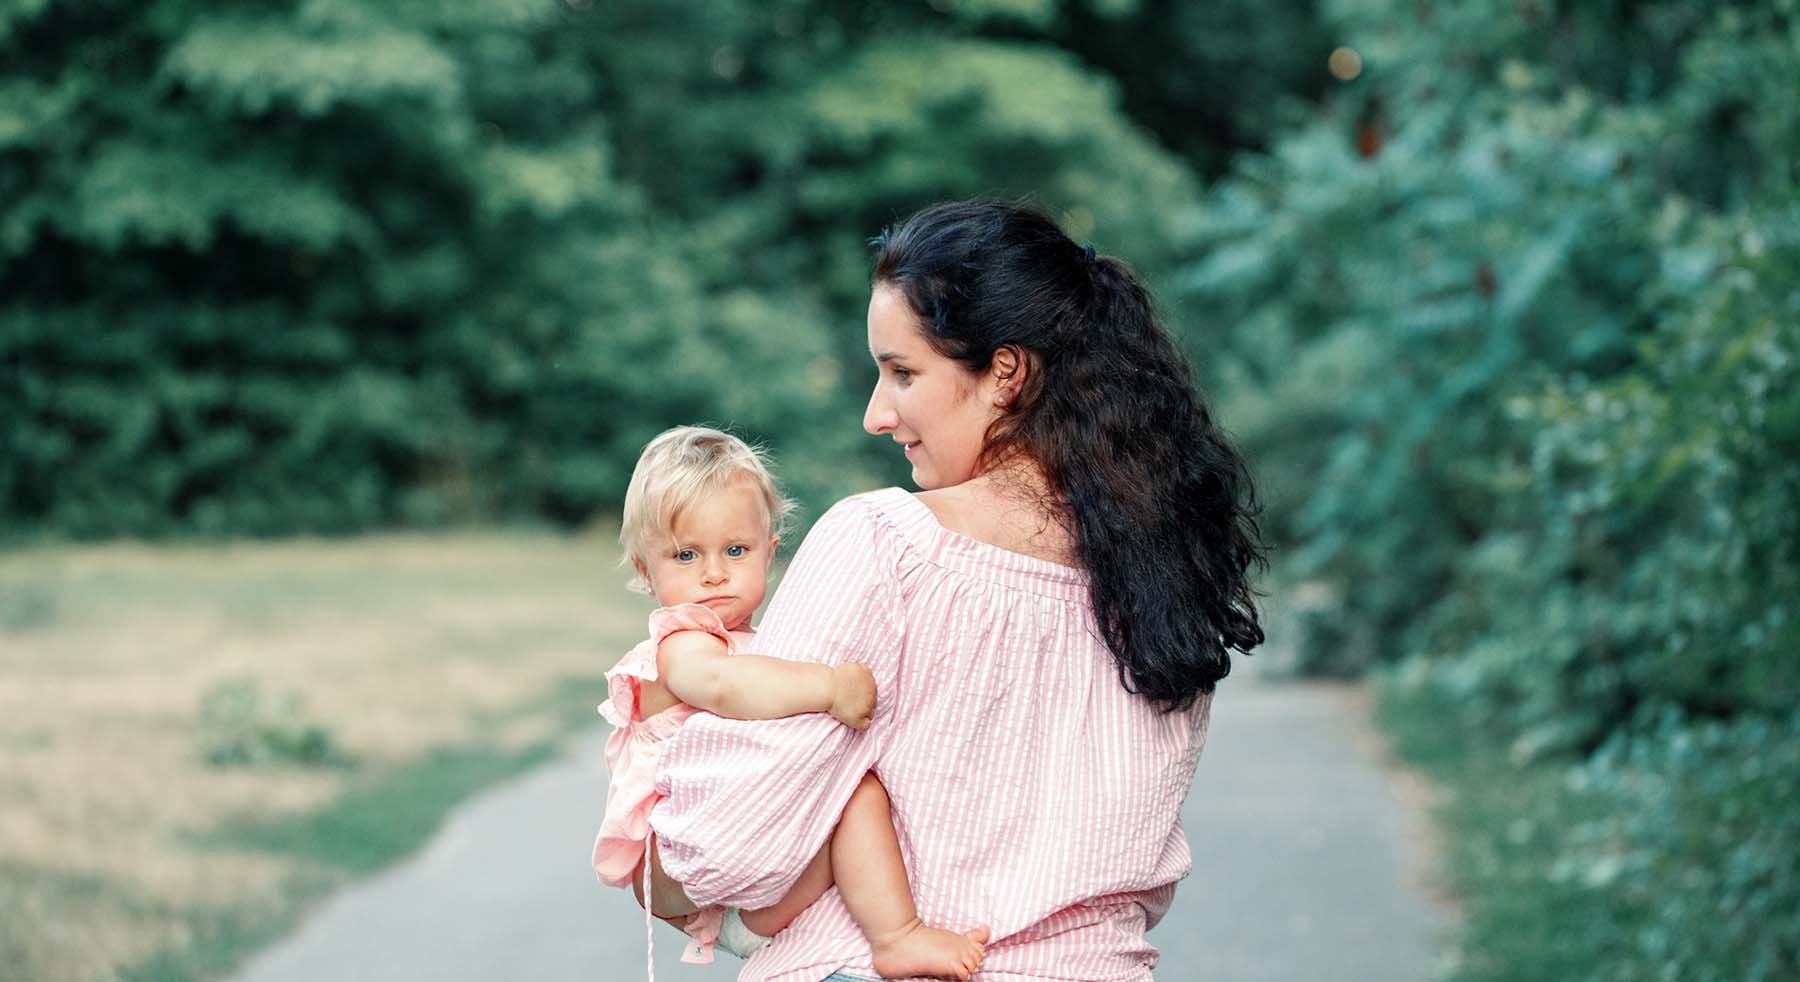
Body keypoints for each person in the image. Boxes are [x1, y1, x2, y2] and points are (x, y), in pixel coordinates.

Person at [645, 199, 1268, 981]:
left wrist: (662, 852)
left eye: (904, 373)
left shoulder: (887, 545)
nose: (878, 414)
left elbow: (726, 846)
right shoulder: (1161, 572)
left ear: (1005, 373)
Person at [593, 425, 989, 979]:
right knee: (856, 795)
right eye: (686, 555)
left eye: (736, 550)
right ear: (646, 570)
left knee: (847, 792)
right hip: (689, 865)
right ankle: (897, 935)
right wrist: (828, 687)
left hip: (754, 906)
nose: (713, 573)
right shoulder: (681, 643)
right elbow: (725, 686)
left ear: (770, 551)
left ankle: (877, 927)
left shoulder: (763, 641)